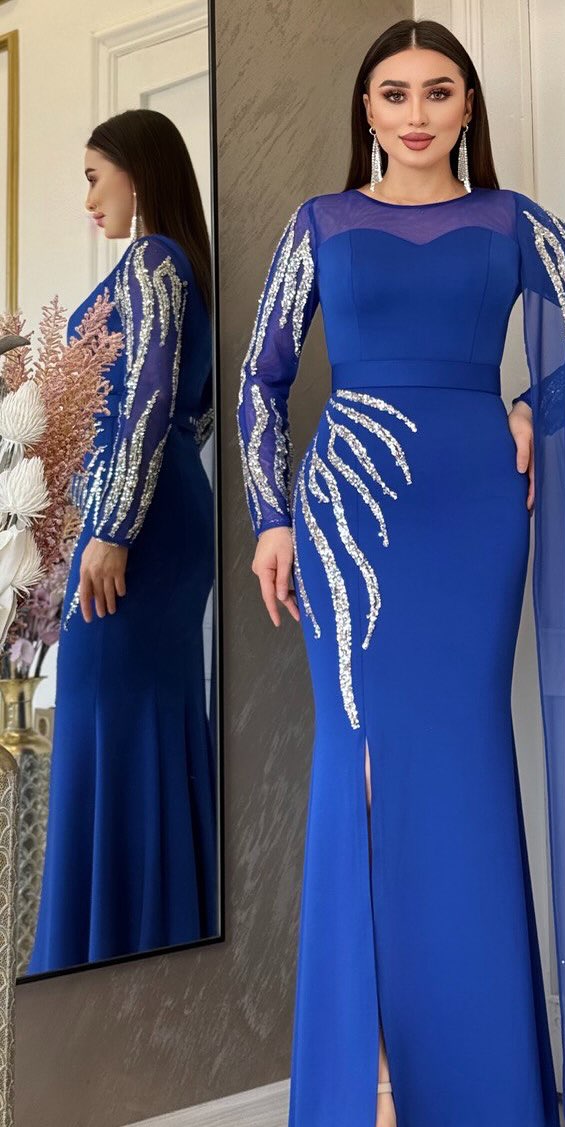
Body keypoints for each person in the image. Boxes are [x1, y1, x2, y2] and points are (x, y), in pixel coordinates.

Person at [237, 19, 565, 1127]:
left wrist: (527, 405)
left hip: (470, 511)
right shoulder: (319, 223)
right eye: (393, 92)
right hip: (348, 514)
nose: (415, 113)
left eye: (438, 91)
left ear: (468, 107)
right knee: (362, 767)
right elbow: (258, 381)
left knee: (462, 769)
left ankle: (479, 1087)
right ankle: (369, 1080)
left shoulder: (510, 221)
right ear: (365, 109)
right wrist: (271, 515)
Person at [27, 109, 217, 975]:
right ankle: (150, 944)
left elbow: (148, 402)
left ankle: (112, 954)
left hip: (133, 532)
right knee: (138, 722)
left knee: (112, 721)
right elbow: (191, 415)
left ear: (139, 172)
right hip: (157, 518)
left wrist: (111, 527)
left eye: (94, 177)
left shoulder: (151, 261)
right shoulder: (181, 267)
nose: (87, 199)